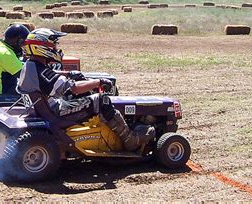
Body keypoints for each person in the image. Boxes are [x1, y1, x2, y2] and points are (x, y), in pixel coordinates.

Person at [17, 28, 155, 152]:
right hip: (55, 113)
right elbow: (74, 89)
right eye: (54, 45)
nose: (56, 48)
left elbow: (49, 76)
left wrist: (68, 74)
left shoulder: (30, 66)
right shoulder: (41, 72)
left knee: (86, 94)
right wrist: (98, 82)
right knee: (101, 100)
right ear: (42, 47)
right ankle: (130, 140)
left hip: (42, 109)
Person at [0, 24, 30, 95]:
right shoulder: (6, 54)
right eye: (23, 43)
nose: (23, 46)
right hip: (3, 91)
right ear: (19, 41)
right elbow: (24, 77)